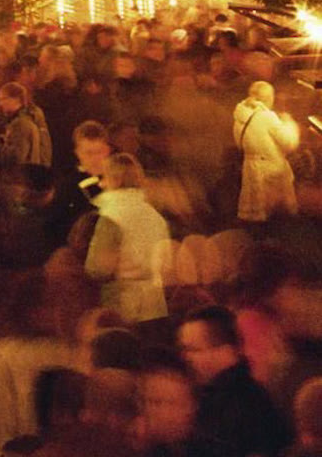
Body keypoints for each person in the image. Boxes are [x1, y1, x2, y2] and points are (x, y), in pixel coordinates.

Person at [176, 305, 290, 457]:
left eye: (193, 349)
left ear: (225, 351)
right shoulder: (209, 397)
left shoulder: (245, 407)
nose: (185, 357)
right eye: (183, 350)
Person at [84, 153, 170, 324]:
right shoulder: (156, 217)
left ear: (114, 180)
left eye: (104, 177)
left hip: (122, 307)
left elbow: (99, 268)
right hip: (155, 306)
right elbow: (165, 265)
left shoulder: (112, 217)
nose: (101, 183)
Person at [233, 81, 299, 224]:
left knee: (256, 214)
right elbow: (289, 142)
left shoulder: (240, 116)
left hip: (251, 169)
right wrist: (289, 123)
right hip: (271, 171)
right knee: (277, 215)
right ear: (268, 98)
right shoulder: (267, 117)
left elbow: (239, 144)